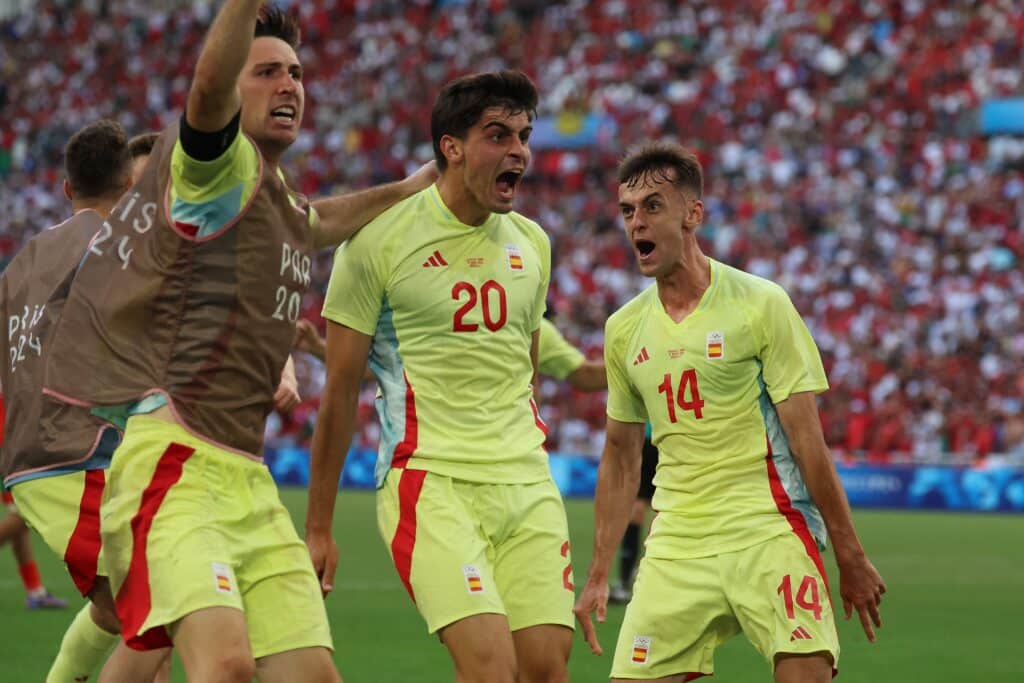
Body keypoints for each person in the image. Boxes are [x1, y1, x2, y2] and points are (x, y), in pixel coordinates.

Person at [40, 4, 434, 681]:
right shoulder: (214, 170)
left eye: (297, 73)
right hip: (176, 465)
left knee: (311, 675)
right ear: (233, 89)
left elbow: (321, 220)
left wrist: (412, 186)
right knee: (224, 666)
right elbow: (203, 93)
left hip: (248, 479)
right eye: (267, 73)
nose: (290, 86)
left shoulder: (275, 196)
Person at [573, 142, 886, 682]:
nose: (636, 224)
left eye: (652, 206)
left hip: (771, 528)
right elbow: (622, 456)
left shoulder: (760, 304)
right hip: (676, 541)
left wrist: (849, 553)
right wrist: (599, 571)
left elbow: (809, 442)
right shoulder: (624, 329)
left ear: (693, 213)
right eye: (627, 211)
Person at [306, 70, 574, 683]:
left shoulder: (533, 243)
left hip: (526, 480)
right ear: (451, 147)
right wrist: (318, 527)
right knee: (490, 670)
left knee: (544, 672)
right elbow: (341, 389)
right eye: (498, 135)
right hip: (430, 483)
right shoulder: (377, 241)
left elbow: (522, 369)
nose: (519, 152)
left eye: (524, 137)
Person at [2, 119, 174, 683]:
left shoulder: (24, 259)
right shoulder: (118, 248)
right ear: (130, 188)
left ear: (67, 189)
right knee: (166, 611)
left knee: (114, 607)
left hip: (31, 458)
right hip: (81, 456)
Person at [607, 423, 657, 605]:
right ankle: (651, 573)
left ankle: (624, 581)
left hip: (644, 437)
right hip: (668, 434)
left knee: (637, 507)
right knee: (662, 508)